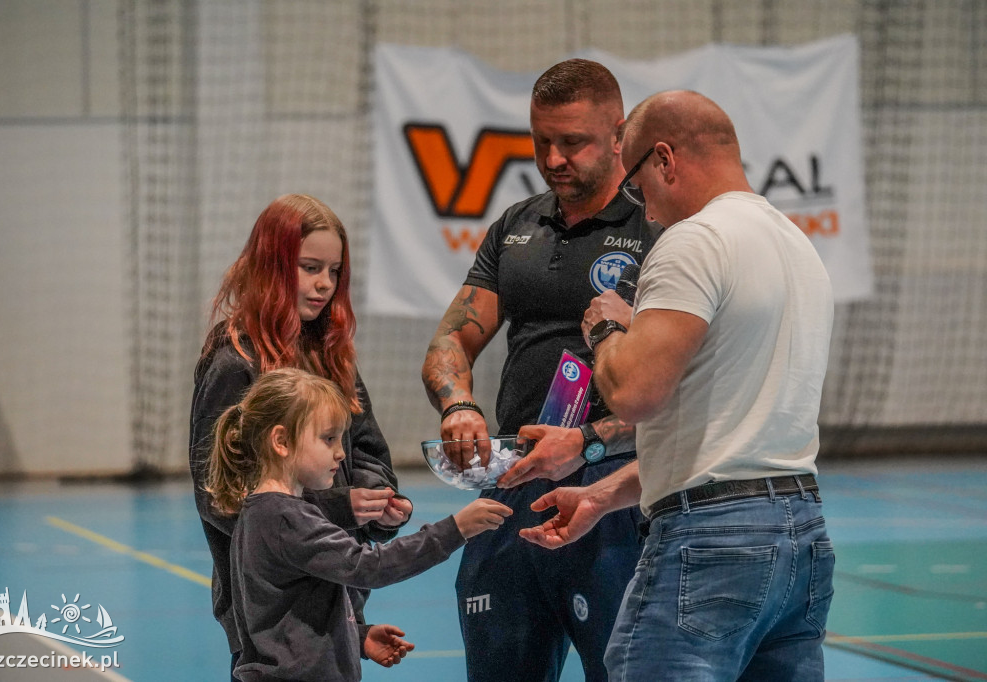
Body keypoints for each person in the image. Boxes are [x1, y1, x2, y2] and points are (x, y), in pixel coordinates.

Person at [520, 90, 836, 680]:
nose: (648, 212)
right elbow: (734, 443)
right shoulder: (797, 247)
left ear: (664, 158)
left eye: (638, 187)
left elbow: (636, 394)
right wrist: (599, 496)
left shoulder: (693, 241)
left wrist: (608, 328)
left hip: (712, 544)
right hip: (802, 535)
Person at [421, 59, 655, 682]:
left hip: (612, 496)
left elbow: (682, 391)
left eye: (572, 142)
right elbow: (450, 340)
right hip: (513, 490)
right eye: (541, 141)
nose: (553, 158)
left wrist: (586, 444)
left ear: (618, 134)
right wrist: (457, 405)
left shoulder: (658, 228)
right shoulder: (516, 226)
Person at [189, 194, 414, 680]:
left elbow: (369, 451)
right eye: (309, 267)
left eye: (334, 272)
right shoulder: (234, 361)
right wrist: (340, 510)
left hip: (335, 591)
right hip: (270, 606)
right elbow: (220, 497)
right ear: (272, 265)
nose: (324, 285)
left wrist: (381, 507)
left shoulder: (329, 353)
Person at [206, 368, 513, 682]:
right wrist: (455, 529)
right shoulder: (286, 518)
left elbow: (289, 617)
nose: (341, 453)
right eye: (328, 439)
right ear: (282, 441)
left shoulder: (264, 511)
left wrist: (357, 636)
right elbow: (370, 567)